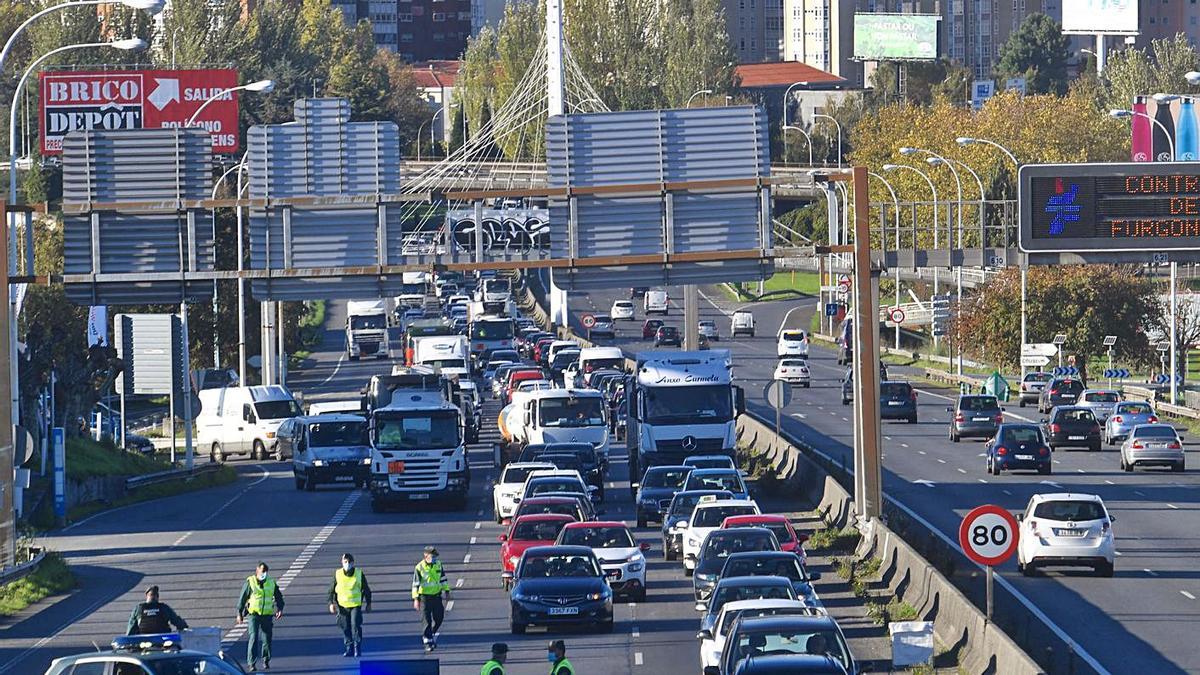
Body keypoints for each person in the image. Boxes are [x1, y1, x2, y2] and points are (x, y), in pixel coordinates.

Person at [236, 561, 284, 671]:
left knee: (267, 638)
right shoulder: (250, 582)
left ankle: (266, 660)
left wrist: (280, 609)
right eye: (262, 571)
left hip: (267, 615)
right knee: (253, 637)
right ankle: (251, 663)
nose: (264, 574)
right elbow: (242, 598)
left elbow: (279, 597)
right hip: (254, 614)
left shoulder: (271, 583)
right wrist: (239, 613)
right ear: (257, 571)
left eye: (266, 572)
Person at [328, 553, 372, 657]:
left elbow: (366, 589)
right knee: (345, 627)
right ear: (342, 563)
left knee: (355, 625)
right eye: (345, 562)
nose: (347, 564)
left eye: (349, 562)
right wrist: (331, 603)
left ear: (353, 563)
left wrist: (368, 603)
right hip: (342, 606)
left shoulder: (359, 574)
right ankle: (349, 648)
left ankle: (357, 647)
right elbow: (331, 590)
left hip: (355, 605)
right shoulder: (338, 574)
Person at [411, 545, 450, 652]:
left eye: (435, 557)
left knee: (439, 618)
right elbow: (415, 584)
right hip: (425, 597)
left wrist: (447, 591)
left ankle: (431, 634)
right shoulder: (419, 567)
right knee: (426, 620)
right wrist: (416, 599)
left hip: (437, 596)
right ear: (426, 556)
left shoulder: (438, 564)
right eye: (432, 556)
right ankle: (427, 642)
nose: (434, 559)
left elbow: (443, 578)